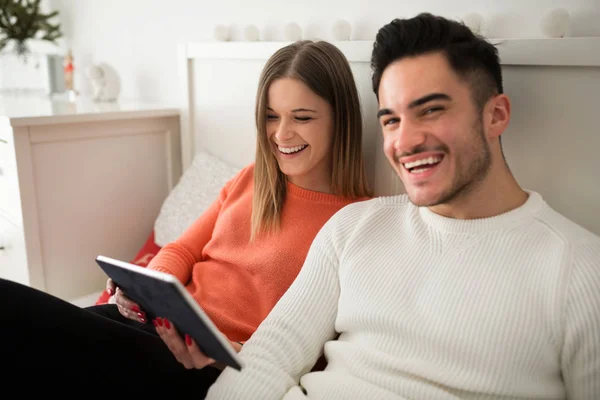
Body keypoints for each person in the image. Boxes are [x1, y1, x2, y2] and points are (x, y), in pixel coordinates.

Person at [204, 13, 600, 400]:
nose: (405, 142)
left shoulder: (580, 271)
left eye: (430, 110)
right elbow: (266, 360)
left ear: (495, 115)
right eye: (391, 119)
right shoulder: (354, 226)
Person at [0, 40, 372, 395]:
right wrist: (145, 289)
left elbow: (327, 355)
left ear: (341, 118)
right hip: (158, 329)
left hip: (208, 369)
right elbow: (182, 250)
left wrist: (235, 352)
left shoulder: (359, 220)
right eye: (271, 116)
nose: (281, 133)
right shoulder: (251, 178)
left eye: (302, 117)